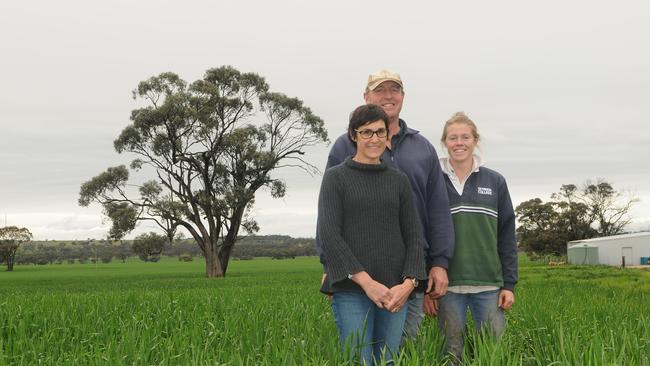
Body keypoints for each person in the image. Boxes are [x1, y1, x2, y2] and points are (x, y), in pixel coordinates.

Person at [318, 69, 455, 341]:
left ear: (403, 96)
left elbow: (436, 211)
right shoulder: (342, 149)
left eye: (394, 90)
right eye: (380, 90)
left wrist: (438, 263)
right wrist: (329, 266)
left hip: (407, 276)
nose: (388, 96)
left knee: (402, 349)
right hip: (357, 277)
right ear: (366, 96)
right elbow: (329, 221)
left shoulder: (423, 148)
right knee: (359, 353)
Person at [318, 104, 426, 365]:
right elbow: (330, 236)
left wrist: (408, 283)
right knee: (359, 360)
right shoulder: (336, 178)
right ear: (353, 136)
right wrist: (367, 283)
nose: (374, 139)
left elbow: (414, 236)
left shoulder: (398, 180)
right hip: (352, 290)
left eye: (380, 132)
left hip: (394, 291)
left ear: (388, 135)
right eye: (366, 133)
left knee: (388, 361)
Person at [423, 112, 518, 363]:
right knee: (451, 351)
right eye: (453, 137)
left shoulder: (495, 181)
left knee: (492, 352)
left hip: (488, 284)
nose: (459, 142)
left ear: (475, 140)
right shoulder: (433, 180)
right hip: (446, 286)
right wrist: (425, 288)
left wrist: (509, 285)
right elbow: (421, 233)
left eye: (465, 137)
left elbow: (507, 235)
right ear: (444, 142)